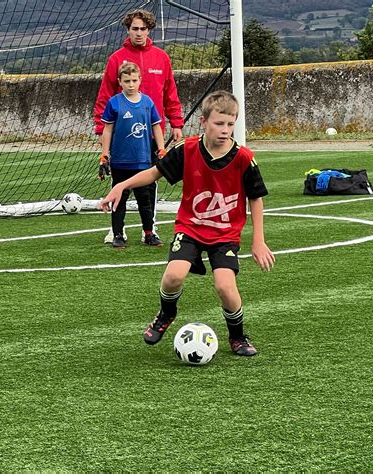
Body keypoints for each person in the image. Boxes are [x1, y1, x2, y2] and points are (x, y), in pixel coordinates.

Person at [99, 91, 275, 356]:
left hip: (224, 233)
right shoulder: (187, 149)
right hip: (190, 227)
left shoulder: (243, 158)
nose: (225, 130)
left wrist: (258, 240)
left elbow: (256, 199)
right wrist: (122, 186)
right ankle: (166, 314)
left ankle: (237, 336)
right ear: (204, 122)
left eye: (230, 124)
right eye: (219, 123)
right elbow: (153, 173)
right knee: (173, 276)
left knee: (225, 286)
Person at [94, 9, 184, 245]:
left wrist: (176, 122)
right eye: (135, 28)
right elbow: (105, 96)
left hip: (153, 135)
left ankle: (149, 228)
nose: (139, 33)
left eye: (143, 29)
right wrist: (99, 129)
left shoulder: (161, 57)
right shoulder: (116, 58)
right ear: (128, 30)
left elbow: (170, 93)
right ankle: (117, 231)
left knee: (149, 183)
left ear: (149, 30)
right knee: (120, 184)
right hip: (123, 136)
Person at [100, 62, 165, 248]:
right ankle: (118, 234)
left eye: (134, 80)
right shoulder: (114, 103)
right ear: (120, 81)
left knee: (146, 201)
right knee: (119, 199)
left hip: (144, 162)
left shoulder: (147, 103)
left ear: (140, 80)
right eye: (126, 81)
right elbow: (107, 130)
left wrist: (161, 149)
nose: (131, 84)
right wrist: (104, 155)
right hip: (121, 162)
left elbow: (157, 127)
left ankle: (149, 233)